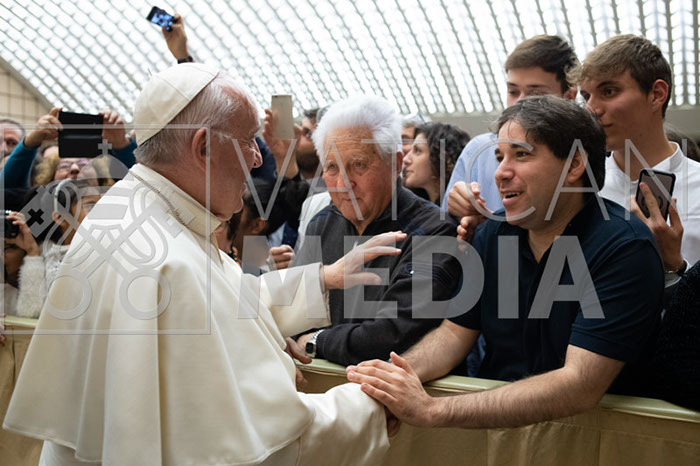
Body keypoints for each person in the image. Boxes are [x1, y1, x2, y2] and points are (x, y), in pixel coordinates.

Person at [4, 63, 401, 465]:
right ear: (204, 147)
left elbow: (223, 292)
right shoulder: (168, 259)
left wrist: (323, 278)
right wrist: (369, 406)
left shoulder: (129, 210)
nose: (256, 160)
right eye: (248, 141)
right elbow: (260, 449)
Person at [346, 96, 663, 429]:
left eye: (521, 155)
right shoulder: (492, 235)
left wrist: (433, 410)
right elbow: (453, 335)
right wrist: (388, 383)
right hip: (492, 432)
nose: (500, 172)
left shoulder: (625, 248)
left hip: (594, 439)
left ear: (573, 166)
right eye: (500, 157)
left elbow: (579, 385)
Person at [293, 96, 463, 367]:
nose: (343, 183)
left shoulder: (434, 232)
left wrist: (316, 341)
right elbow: (292, 313)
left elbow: (390, 336)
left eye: (358, 165)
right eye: (332, 167)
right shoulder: (321, 225)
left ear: (395, 164)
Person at [576, 34, 700, 271]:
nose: (591, 109)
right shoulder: (580, 191)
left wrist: (674, 265)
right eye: (586, 97)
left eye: (609, 91)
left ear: (657, 94)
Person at [444, 35, 578, 217]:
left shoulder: (584, 154)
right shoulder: (478, 152)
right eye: (513, 91)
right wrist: (458, 207)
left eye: (535, 94)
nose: (519, 102)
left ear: (569, 97)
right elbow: (447, 228)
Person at [7, 179, 102, 318]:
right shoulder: (47, 256)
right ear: (60, 218)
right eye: (90, 206)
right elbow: (30, 312)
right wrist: (32, 253)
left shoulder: (106, 250)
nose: (102, 212)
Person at [1, 108, 136, 188]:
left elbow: (138, 183)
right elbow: (8, 190)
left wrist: (121, 144)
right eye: (64, 166)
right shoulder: (36, 215)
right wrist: (32, 141)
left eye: (84, 164)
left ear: (100, 178)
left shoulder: (117, 208)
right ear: (49, 180)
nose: (75, 169)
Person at [403, 123, 470, 204]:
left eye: (417, 150)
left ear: (443, 157)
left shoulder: (459, 208)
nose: (406, 159)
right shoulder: (412, 204)